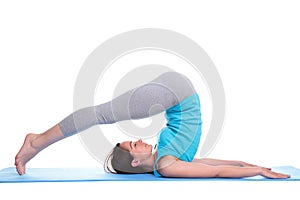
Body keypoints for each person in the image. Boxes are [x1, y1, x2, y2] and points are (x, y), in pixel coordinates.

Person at [15, 71, 290, 179]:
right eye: (134, 145)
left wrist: (250, 168)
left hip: (172, 92)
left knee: (103, 114)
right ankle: (36, 141)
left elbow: (212, 167)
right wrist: (253, 168)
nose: (138, 139)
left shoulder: (165, 158)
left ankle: (37, 141)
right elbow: (213, 167)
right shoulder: (166, 165)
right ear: (136, 162)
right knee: (100, 114)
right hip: (174, 91)